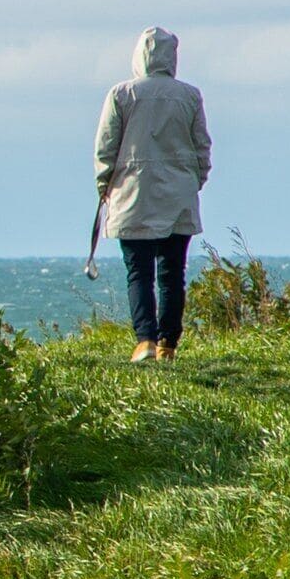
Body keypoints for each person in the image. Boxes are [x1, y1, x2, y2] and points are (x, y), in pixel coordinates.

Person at [92, 26, 211, 363]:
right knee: (173, 272)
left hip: (132, 194)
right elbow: (202, 146)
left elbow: (106, 148)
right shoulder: (189, 95)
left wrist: (105, 187)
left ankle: (144, 340)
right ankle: (168, 345)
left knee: (138, 271)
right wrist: (195, 180)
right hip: (178, 195)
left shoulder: (121, 94)